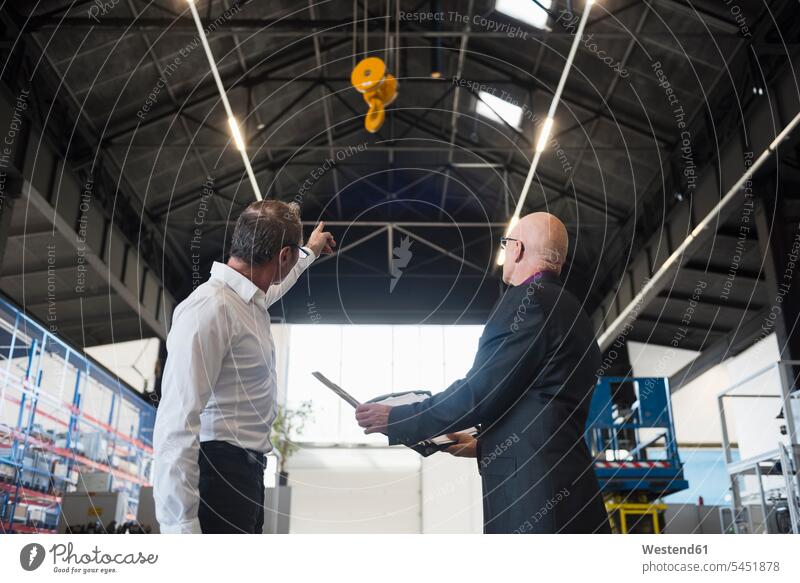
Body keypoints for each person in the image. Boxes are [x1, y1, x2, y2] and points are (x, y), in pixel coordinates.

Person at [356, 212, 610, 534]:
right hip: (568, 487)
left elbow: (479, 392)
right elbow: (542, 404)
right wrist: (483, 444)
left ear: (516, 249)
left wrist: (400, 418)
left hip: (532, 496)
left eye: (506, 245)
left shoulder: (526, 302)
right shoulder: (572, 309)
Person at [154, 200, 335, 534]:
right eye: (292, 254)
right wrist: (180, 527)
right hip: (217, 476)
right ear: (282, 256)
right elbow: (175, 425)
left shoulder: (248, 301)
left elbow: (279, 283)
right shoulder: (209, 310)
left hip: (245, 476)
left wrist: (307, 251)